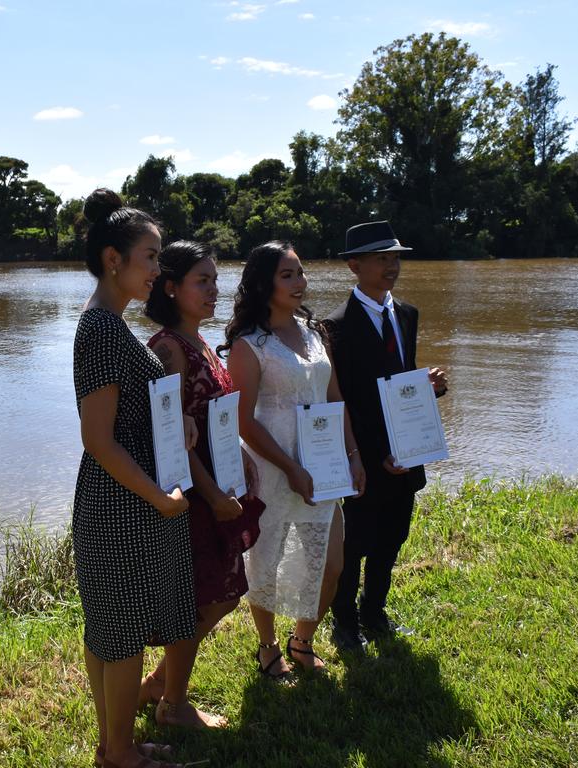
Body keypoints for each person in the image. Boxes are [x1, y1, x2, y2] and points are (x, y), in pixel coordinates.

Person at [72, 188, 197, 768]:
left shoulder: (111, 326)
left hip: (128, 500)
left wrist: (179, 437)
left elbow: (128, 420)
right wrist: (160, 496)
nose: (157, 269)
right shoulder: (100, 329)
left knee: (110, 634)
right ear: (113, 259)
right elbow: (97, 440)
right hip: (119, 504)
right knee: (118, 638)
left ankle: (112, 744)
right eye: (150, 256)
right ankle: (119, 753)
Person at [221, 241, 365, 680]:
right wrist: (290, 468)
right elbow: (244, 422)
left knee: (331, 564)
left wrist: (354, 455)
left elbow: (335, 397)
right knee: (265, 561)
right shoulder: (250, 345)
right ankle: (267, 648)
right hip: (272, 466)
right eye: (288, 275)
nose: (299, 282)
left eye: (301, 272)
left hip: (324, 466)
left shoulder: (315, 332)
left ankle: (302, 641)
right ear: (264, 283)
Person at [140, 240, 265, 727]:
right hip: (191, 496)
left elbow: (216, 419)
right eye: (202, 281)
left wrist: (241, 459)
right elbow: (173, 437)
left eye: (216, 279)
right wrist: (211, 495)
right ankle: (172, 703)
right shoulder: (168, 348)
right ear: (171, 288)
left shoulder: (200, 344)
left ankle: (158, 685)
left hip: (219, 486)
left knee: (225, 591)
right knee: (205, 596)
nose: (214, 290)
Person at [325, 220, 448, 652]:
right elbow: (344, 401)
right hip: (365, 454)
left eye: (395, 256)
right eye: (381, 258)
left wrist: (429, 385)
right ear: (354, 266)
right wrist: (368, 454)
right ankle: (344, 622)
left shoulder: (408, 314)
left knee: (394, 536)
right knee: (355, 541)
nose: (391, 265)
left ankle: (374, 612)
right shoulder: (334, 326)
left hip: (406, 452)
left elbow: (398, 383)